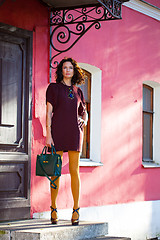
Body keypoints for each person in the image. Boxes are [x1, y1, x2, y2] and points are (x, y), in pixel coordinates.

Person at [46, 57, 88, 226]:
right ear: (61, 70)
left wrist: (83, 121)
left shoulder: (78, 91)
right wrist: (48, 134)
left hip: (74, 133)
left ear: (74, 71)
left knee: (74, 171)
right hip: (57, 132)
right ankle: (53, 208)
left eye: (70, 67)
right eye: (65, 67)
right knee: (55, 172)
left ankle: (76, 209)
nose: (67, 70)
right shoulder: (53, 88)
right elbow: (48, 111)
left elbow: (84, 112)